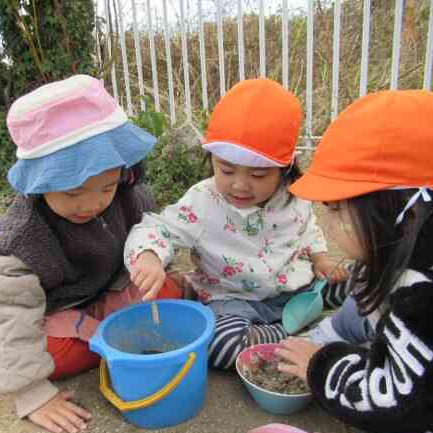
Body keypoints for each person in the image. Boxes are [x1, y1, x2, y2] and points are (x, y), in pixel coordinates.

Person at [0, 75, 182, 433]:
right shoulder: (21, 240)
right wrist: (32, 393)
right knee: (49, 353)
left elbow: (152, 231)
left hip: (107, 293)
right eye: (72, 193)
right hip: (57, 313)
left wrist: (151, 258)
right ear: (39, 182)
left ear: (123, 172)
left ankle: (113, 334)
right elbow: (4, 314)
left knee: (169, 293)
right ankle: (114, 340)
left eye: (106, 186)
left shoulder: (129, 195)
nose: (91, 203)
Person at [275, 89, 433, 433]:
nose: (326, 222)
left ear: (401, 209)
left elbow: (402, 402)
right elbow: (362, 309)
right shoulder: (413, 241)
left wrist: (320, 367)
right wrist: (322, 338)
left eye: (335, 209)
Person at [124, 78, 349, 370]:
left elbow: (307, 229)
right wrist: (149, 256)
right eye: (226, 170)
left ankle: (309, 310)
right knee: (219, 344)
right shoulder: (204, 201)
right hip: (233, 302)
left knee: (364, 278)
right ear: (212, 160)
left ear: (286, 169)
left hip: (297, 288)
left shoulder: (295, 196)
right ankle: (293, 333)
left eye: (258, 175)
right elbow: (155, 229)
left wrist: (320, 258)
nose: (240, 185)